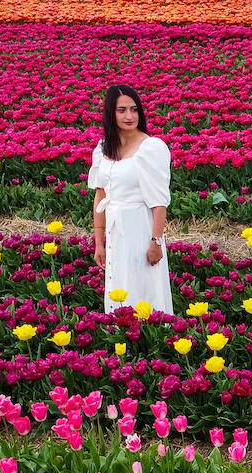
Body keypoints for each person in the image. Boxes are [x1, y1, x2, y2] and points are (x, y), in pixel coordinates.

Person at [88, 85, 174, 315]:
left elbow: (159, 202)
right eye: (122, 110)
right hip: (115, 231)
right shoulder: (103, 149)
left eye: (134, 110)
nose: (129, 116)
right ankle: (123, 336)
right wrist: (98, 242)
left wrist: (156, 242)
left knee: (144, 285)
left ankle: (151, 336)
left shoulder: (151, 148)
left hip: (141, 228)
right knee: (120, 285)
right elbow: (100, 196)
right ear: (110, 113)